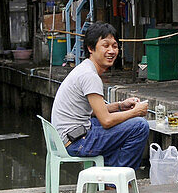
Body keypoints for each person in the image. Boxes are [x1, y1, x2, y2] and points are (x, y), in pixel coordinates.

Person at [51, 22, 149, 169]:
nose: (111, 51)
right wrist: (135, 112)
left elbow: (96, 112)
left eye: (114, 46)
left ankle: (109, 173)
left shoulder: (85, 69)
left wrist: (120, 106)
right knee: (139, 126)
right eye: (105, 46)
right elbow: (106, 120)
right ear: (91, 48)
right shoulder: (90, 76)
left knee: (120, 123)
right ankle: (116, 179)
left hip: (69, 137)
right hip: (77, 142)